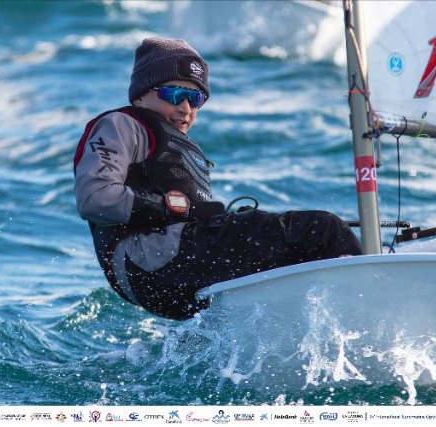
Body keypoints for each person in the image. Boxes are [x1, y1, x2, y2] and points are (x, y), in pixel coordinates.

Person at [74, 37, 362, 320]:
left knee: (295, 258)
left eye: (196, 98)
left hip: (171, 269)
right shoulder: (122, 125)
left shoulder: (178, 144)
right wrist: (173, 207)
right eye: (174, 94)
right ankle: (364, 310)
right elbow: (94, 198)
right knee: (321, 230)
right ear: (140, 95)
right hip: (146, 261)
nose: (186, 107)